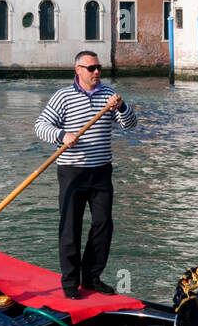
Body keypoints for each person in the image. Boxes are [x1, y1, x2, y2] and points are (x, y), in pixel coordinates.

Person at [35, 52, 137, 299]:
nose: (96, 72)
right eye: (91, 68)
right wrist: (62, 136)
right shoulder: (63, 96)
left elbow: (131, 125)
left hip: (101, 171)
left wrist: (122, 107)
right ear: (78, 70)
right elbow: (41, 126)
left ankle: (91, 278)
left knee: (103, 225)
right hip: (72, 172)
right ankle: (70, 283)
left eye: (98, 67)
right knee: (70, 227)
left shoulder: (108, 96)